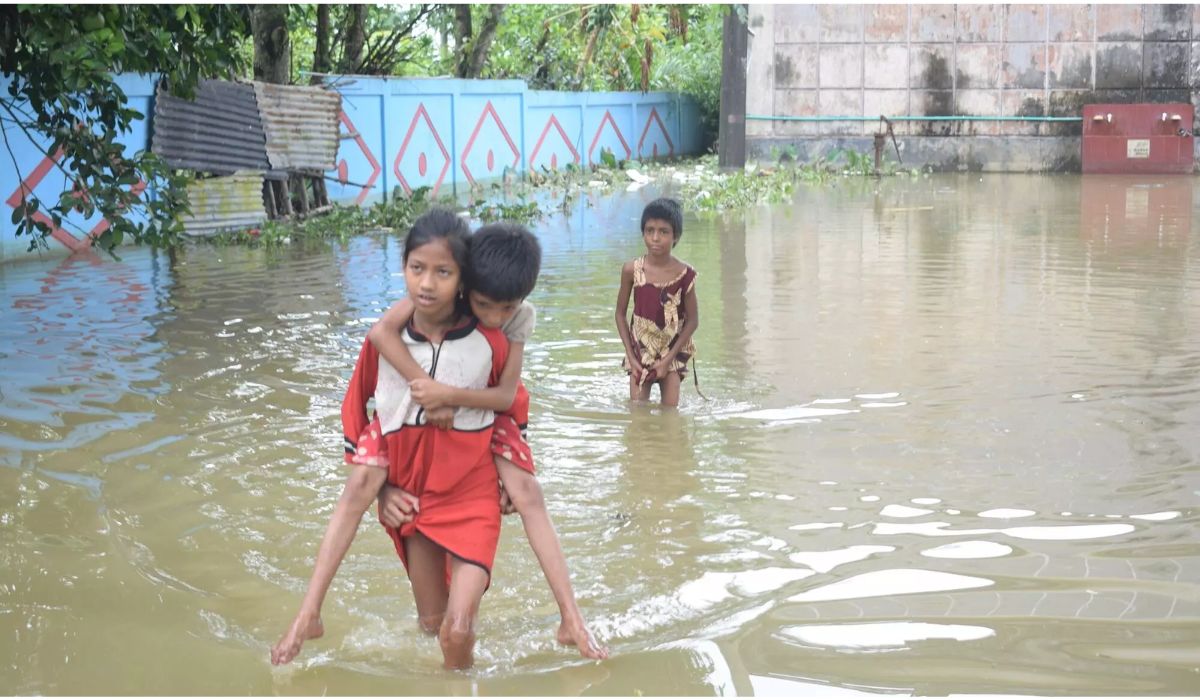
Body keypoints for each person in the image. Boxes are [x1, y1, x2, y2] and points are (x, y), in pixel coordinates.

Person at [271, 208, 509, 670]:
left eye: (443, 272)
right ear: (403, 267)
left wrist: (509, 478)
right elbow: (354, 408)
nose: (426, 283)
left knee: (455, 633)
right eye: (416, 268)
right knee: (429, 625)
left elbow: (509, 405)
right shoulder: (384, 338)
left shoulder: (486, 339)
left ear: (463, 279)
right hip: (411, 491)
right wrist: (383, 488)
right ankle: (309, 612)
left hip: (465, 485)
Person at [368, 222, 608, 660]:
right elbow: (380, 339)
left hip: (491, 420)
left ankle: (571, 617)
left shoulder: (517, 319)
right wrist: (383, 485)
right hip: (428, 457)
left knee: (528, 495)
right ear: (465, 287)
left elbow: (505, 396)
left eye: (507, 308)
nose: (495, 317)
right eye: (484, 305)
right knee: (431, 626)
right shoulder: (436, 298)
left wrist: (449, 397)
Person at [615, 197, 700, 407]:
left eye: (663, 232)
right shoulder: (631, 271)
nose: (655, 238)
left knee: (670, 413)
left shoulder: (685, 274)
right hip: (640, 350)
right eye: (650, 230)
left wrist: (668, 360)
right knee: (638, 410)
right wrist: (632, 357)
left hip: (672, 349)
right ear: (643, 233)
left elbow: (693, 321)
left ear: (675, 236)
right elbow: (619, 314)